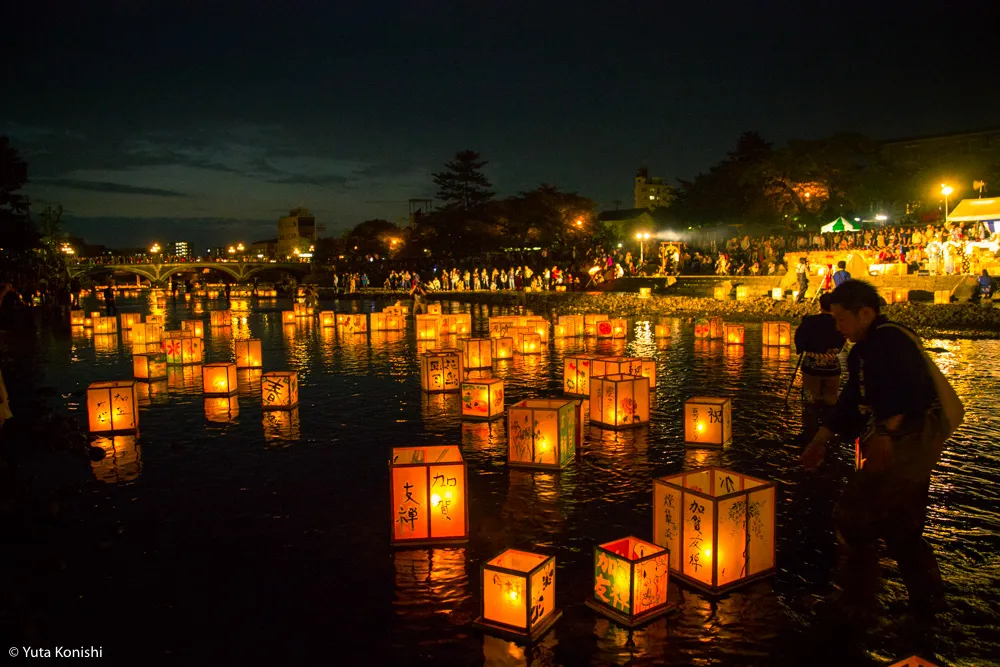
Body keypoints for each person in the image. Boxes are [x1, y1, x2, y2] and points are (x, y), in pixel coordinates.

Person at [801, 280, 952, 627]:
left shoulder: (892, 340)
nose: (838, 327)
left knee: (852, 516)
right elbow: (852, 401)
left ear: (865, 313)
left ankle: (856, 603)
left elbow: (912, 390)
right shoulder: (861, 351)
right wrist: (821, 438)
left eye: (842, 320)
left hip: (906, 445)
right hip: (895, 443)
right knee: (902, 526)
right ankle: (928, 603)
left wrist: (886, 432)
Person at [794, 292, 846, 442]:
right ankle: (829, 431)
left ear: (820, 305)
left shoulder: (811, 321)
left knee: (811, 399)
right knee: (831, 398)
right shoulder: (839, 322)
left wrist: (800, 349)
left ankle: (810, 432)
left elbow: (800, 337)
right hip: (832, 365)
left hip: (812, 366)